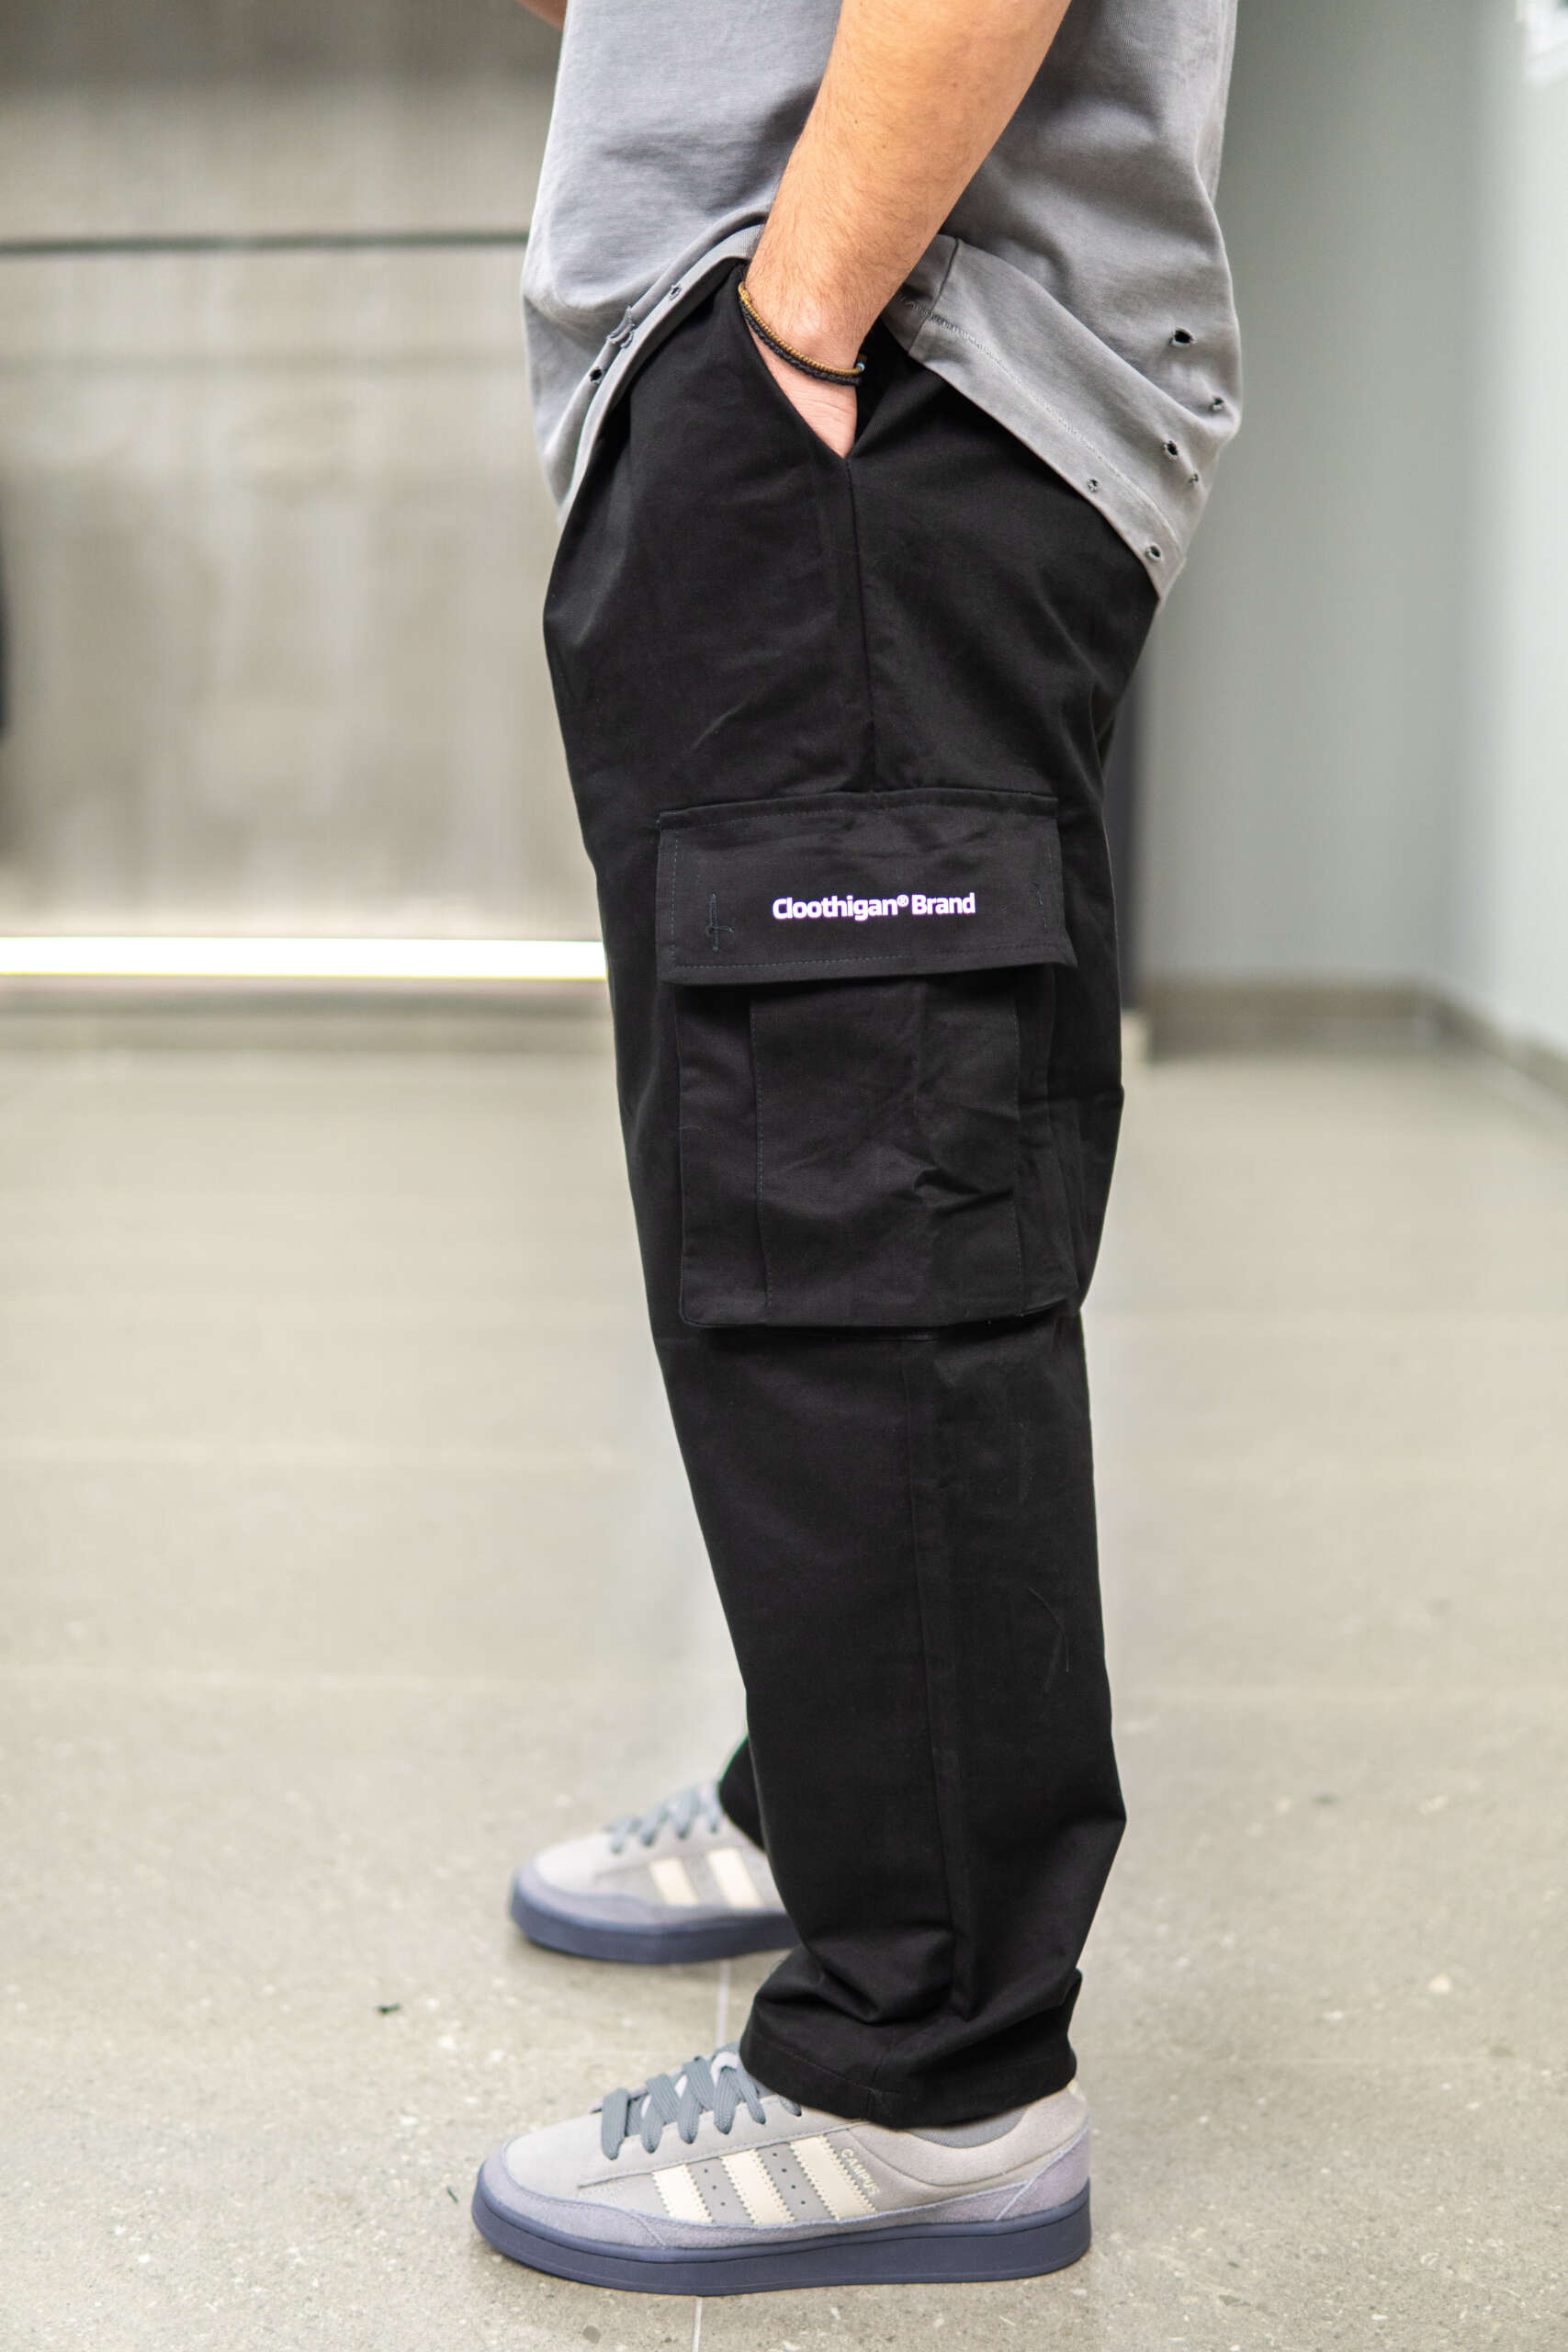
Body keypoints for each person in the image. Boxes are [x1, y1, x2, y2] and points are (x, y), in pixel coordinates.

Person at [473, 0, 1240, 2298]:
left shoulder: (829, 342)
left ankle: (931, 2068)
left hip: (871, 361)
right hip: (829, 372)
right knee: (801, 1196)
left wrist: (796, 313)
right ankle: (827, 1803)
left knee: (857, 1222)